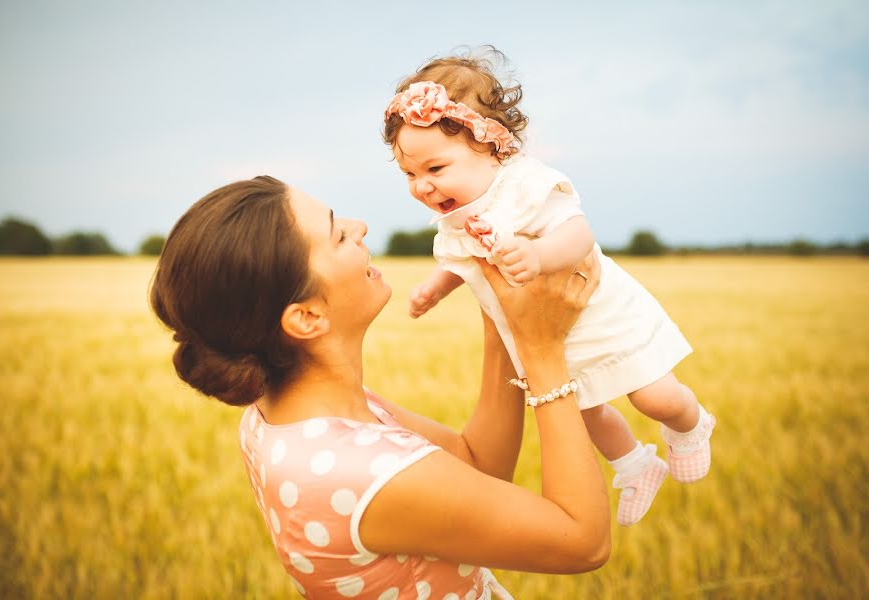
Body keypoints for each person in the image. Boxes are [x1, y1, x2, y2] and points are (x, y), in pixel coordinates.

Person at [150, 175, 610, 599]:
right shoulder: (363, 472)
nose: (361, 226)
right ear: (307, 317)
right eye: (338, 236)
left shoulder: (297, 412)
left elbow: (478, 466)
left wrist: (501, 314)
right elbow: (584, 543)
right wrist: (543, 352)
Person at [382, 48, 716, 526]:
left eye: (435, 169)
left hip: (597, 315)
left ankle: (690, 425)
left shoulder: (524, 186)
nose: (421, 186)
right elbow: (461, 261)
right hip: (543, 334)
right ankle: (634, 465)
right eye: (409, 175)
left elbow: (578, 234)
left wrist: (537, 255)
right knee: (582, 412)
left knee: (654, 398)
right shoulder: (455, 220)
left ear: (490, 146)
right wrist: (438, 287)